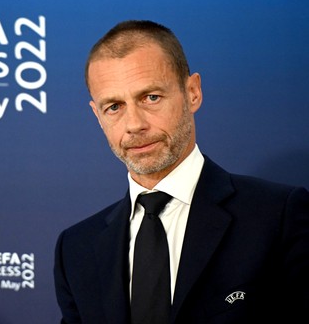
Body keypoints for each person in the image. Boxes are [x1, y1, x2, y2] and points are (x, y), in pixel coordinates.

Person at [53, 20, 309, 324]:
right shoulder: (76, 249)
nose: (134, 124)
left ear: (192, 93)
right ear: (97, 116)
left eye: (151, 97)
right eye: (114, 107)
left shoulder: (277, 216)